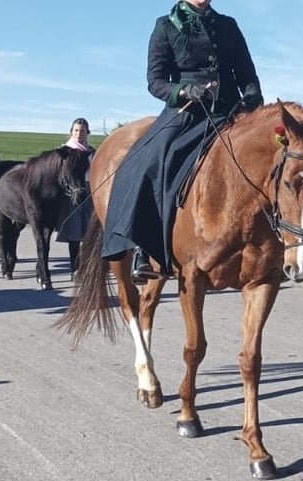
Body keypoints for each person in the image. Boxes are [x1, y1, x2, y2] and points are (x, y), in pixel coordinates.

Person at [101, 0, 264, 284]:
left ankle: (277, 242)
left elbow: (247, 74)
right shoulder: (166, 25)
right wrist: (184, 90)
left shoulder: (228, 25)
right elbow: (155, 80)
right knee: (151, 159)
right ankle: (142, 246)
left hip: (230, 109)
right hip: (188, 110)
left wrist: (251, 97)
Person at [56, 117, 95, 277]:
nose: (79, 134)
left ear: (87, 133)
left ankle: (87, 267)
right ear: (71, 132)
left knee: (89, 232)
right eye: (76, 130)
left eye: (82, 131)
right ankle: (75, 267)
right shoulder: (64, 151)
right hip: (72, 192)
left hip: (90, 190)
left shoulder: (92, 152)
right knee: (74, 232)